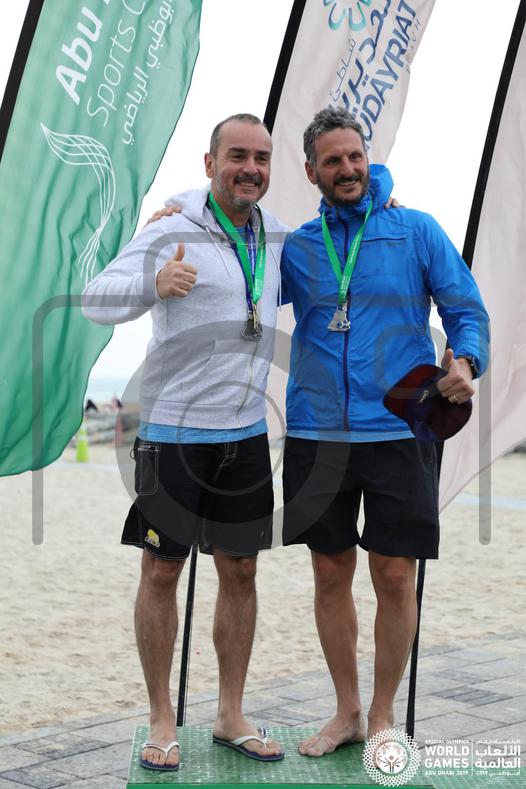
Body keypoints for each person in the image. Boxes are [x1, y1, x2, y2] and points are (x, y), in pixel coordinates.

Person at [81, 114, 289, 770]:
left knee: (242, 571)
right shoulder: (172, 228)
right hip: (172, 434)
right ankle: (161, 718)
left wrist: (380, 196)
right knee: (162, 570)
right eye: (237, 155)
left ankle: (230, 714)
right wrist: (153, 285)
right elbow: (95, 298)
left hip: (246, 435)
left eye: (261, 157)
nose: (250, 168)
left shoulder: (275, 237)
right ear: (210, 163)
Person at [280, 107, 490, 755]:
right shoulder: (299, 247)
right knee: (329, 571)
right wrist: (178, 215)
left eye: (355, 156)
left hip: (401, 428)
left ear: (368, 159)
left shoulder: (415, 230)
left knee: (395, 574)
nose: (347, 169)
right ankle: (345, 710)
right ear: (311, 171)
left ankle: (381, 712)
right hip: (317, 431)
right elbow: (240, 280)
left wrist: (467, 360)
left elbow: (466, 308)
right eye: (333, 160)